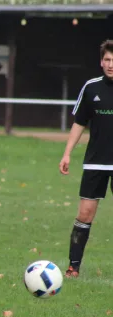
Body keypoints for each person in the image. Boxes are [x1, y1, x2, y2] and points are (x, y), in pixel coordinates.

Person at [59, 39, 113, 278]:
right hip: (96, 162)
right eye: (108, 60)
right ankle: (73, 267)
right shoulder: (91, 88)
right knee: (85, 214)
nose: (111, 64)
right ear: (101, 62)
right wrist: (67, 153)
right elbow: (79, 123)